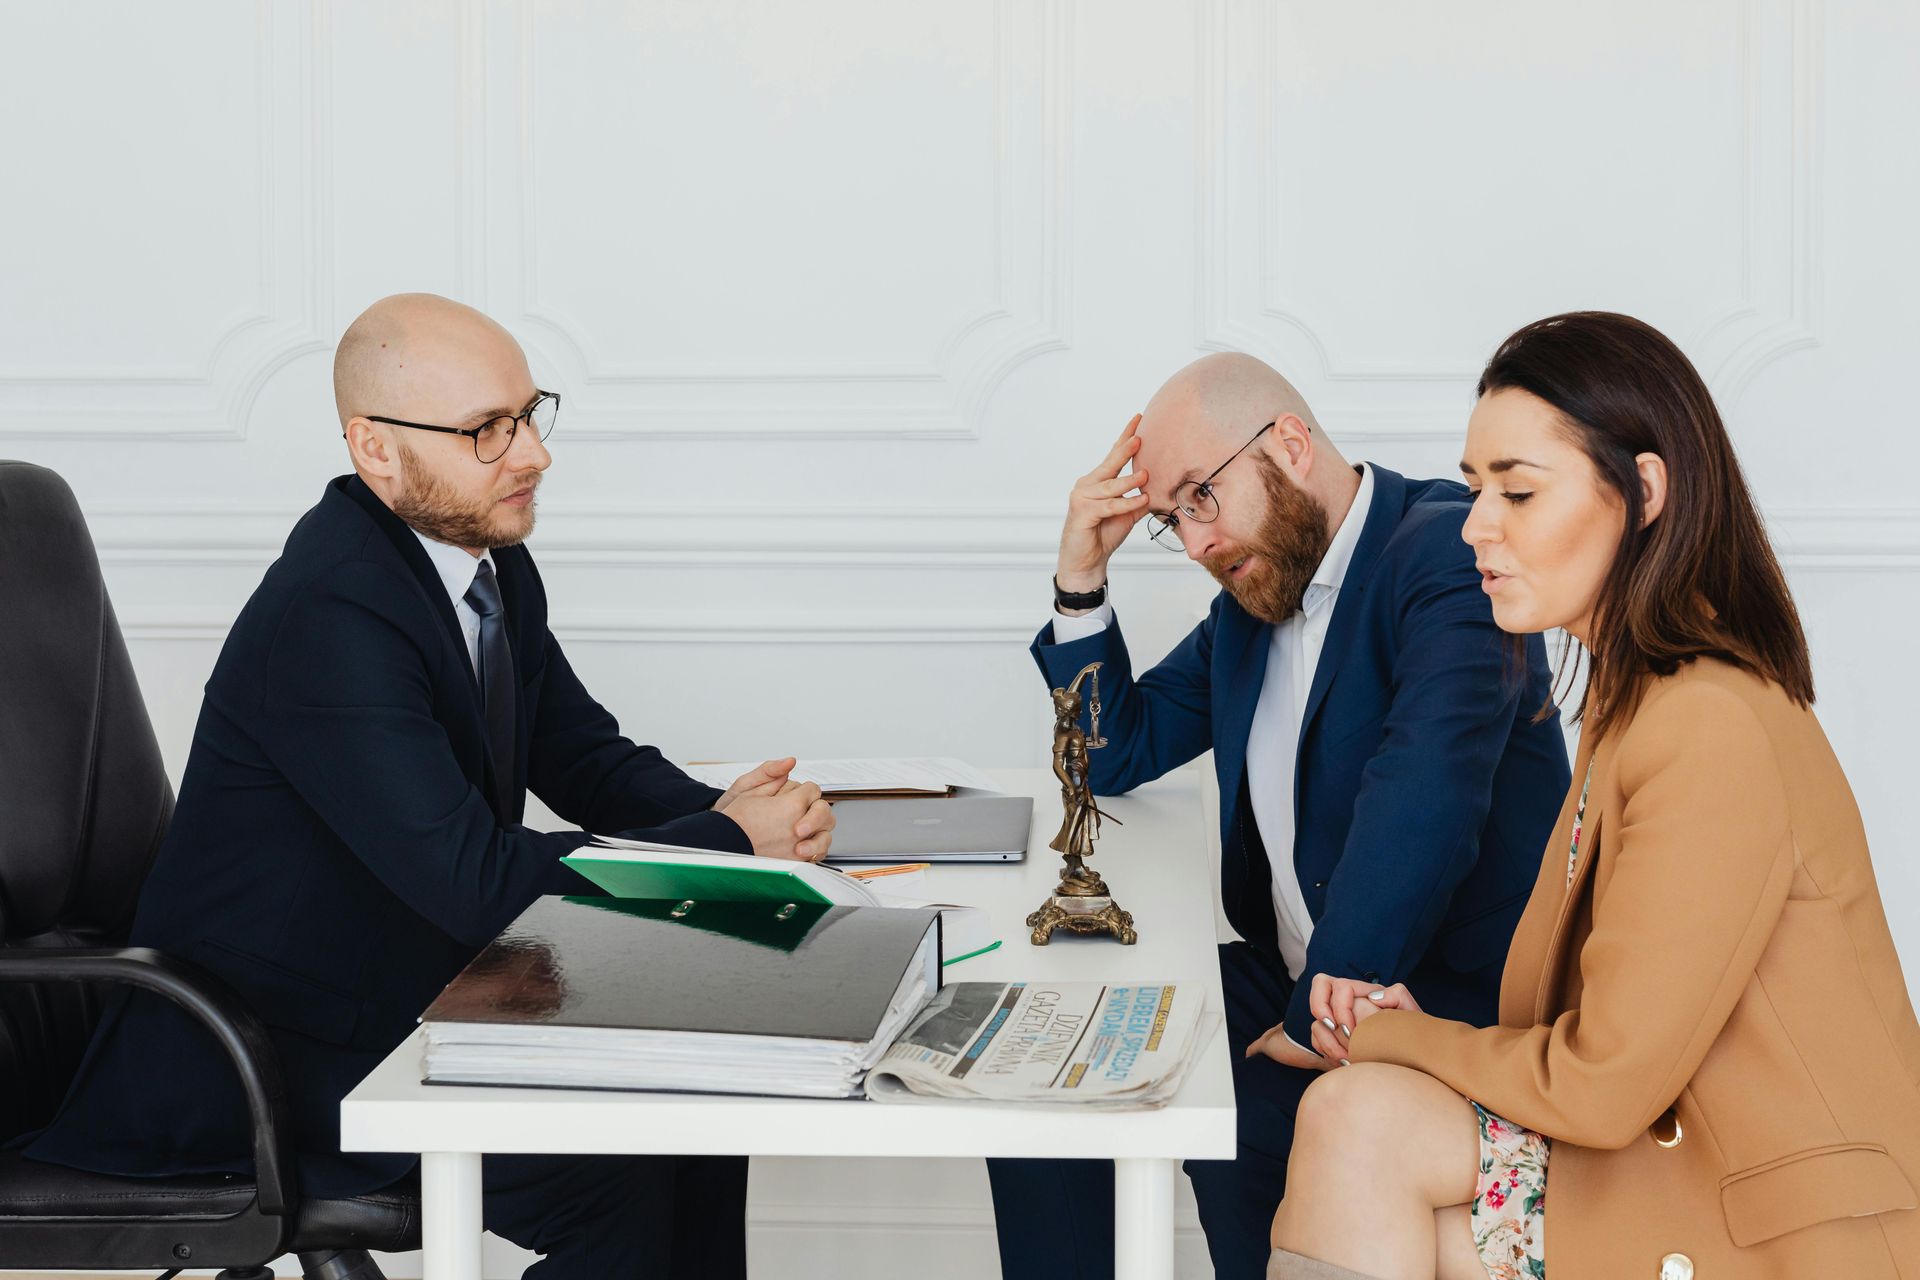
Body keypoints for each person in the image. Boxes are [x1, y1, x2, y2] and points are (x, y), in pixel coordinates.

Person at [23, 293, 835, 1278]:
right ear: (374, 448)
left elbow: (587, 759)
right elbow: (474, 878)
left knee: (695, 1118)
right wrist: (728, 845)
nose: (531, 453)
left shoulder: (479, 561)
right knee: (620, 1172)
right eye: (486, 430)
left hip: (396, 994)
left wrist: (753, 819)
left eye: (530, 413)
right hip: (251, 1051)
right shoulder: (331, 612)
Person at [1265, 311, 1920, 1280]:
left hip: (1782, 1223)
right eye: (1476, 485)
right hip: (1680, 1164)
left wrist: (1391, 1034)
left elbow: (1604, 1084)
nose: (1476, 522)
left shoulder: (1709, 724)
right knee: (1360, 1123)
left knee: (1358, 1122)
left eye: (1519, 491)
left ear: (1644, 490)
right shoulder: (1639, 701)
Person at [989, 353, 1573, 1279]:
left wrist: (1316, 1019)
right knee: (1056, 1063)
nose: (1193, 542)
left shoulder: (1449, 552)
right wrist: (1080, 576)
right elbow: (1114, 751)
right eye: (1171, 519)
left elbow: (1423, 795)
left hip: (1442, 1005)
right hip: (1298, 977)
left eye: (1200, 497)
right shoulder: (1253, 605)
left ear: (1290, 445)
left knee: (1248, 1125)